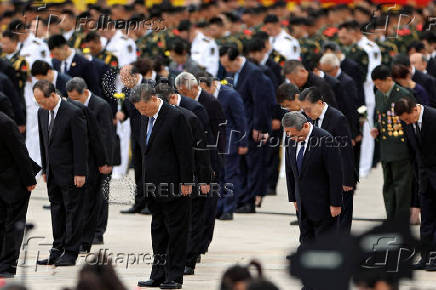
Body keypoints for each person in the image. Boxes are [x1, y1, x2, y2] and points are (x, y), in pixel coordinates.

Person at [131, 84, 193, 289]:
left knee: (176, 233)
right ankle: (157, 274)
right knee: (158, 232)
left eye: (143, 108)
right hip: (153, 186)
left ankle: (174, 276)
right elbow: (144, 152)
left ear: (153, 99)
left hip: (174, 185)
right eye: (138, 109)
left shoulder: (175, 117)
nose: (141, 112)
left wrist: (186, 182)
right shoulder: (144, 116)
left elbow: (185, 153)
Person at [34, 80, 88, 266]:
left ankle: (71, 251)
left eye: (42, 100)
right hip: (52, 172)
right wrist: (45, 168)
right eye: (37, 101)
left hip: (71, 172)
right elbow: (44, 142)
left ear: (53, 95)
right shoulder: (42, 112)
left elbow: (81, 145)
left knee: (73, 211)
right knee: (56, 210)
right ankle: (57, 248)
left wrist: (80, 172)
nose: (41, 105)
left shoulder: (73, 112)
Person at [175, 72, 226, 260]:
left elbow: (219, 133)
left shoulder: (210, 102)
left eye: (185, 92)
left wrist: (216, 161)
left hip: (211, 160)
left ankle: (202, 245)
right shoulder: (184, 104)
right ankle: (193, 245)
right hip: (195, 161)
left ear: (193, 88)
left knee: (207, 207)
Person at [220, 45, 274, 213]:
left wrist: (260, 127)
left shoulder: (253, 73)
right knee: (239, 165)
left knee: (253, 165)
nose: (227, 69)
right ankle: (239, 198)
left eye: (229, 65)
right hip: (237, 126)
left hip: (252, 125)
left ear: (237, 59)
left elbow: (261, 102)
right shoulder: (231, 72)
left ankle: (249, 201)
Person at [298, 87, 357, 233]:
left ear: (319, 103)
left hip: (340, 177)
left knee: (342, 218)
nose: (306, 113)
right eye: (303, 110)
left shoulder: (337, 118)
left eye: (308, 109)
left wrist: (347, 180)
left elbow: (346, 151)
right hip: (321, 178)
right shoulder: (307, 119)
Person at [65, 77, 114, 252]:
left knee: (100, 197)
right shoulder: (73, 107)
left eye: (76, 98)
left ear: (85, 92)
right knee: (86, 199)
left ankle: (98, 232)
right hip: (84, 160)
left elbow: (107, 136)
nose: (73, 102)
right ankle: (85, 233)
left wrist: (107, 161)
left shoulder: (100, 106)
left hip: (100, 160)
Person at [282, 111, 342, 244]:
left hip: (323, 204)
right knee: (306, 240)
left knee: (325, 243)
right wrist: (293, 197)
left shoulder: (325, 139)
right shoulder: (290, 138)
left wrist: (336, 203)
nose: (292, 137)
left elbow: (335, 175)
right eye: (288, 134)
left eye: (294, 134)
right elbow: (290, 170)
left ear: (305, 126)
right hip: (302, 204)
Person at [198, 72, 247, 220]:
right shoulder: (205, 96)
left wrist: (243, 142)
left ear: (212, 84)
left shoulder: (230, 95)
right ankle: (218, 208)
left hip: (230, 140)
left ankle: (229, 208)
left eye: (204, 89)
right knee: (218, 175)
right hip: (214, 142)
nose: (203, 93)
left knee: (230, 175)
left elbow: (241, 119)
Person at [394, 96, 436, 270]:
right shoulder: (407, 122)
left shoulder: (433, 118)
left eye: (407, 119)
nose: (406, 122)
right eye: (403, 120)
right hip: (424, 177)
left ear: (414, 110)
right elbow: (413, 153)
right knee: (427, 218)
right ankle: (426, 256)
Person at [371, 65, 414, 221]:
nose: (377, 87)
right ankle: (391, 218)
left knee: (402, 187)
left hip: (401, 149)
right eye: (375, 84)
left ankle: (401, 222)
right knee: (388, 186)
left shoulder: (403, 94)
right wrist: (376, 128)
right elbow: (380, 116)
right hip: (385, 147)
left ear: (389, 80)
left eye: (379, 83)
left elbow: (411, 123)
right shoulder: (379, 94)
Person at [0, 111, 38, 278]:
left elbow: (20, 152)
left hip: (16, 180)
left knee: (13, 225)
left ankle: (8, 266)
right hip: (2, 180)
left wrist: (29, 180)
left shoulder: (5, 123)